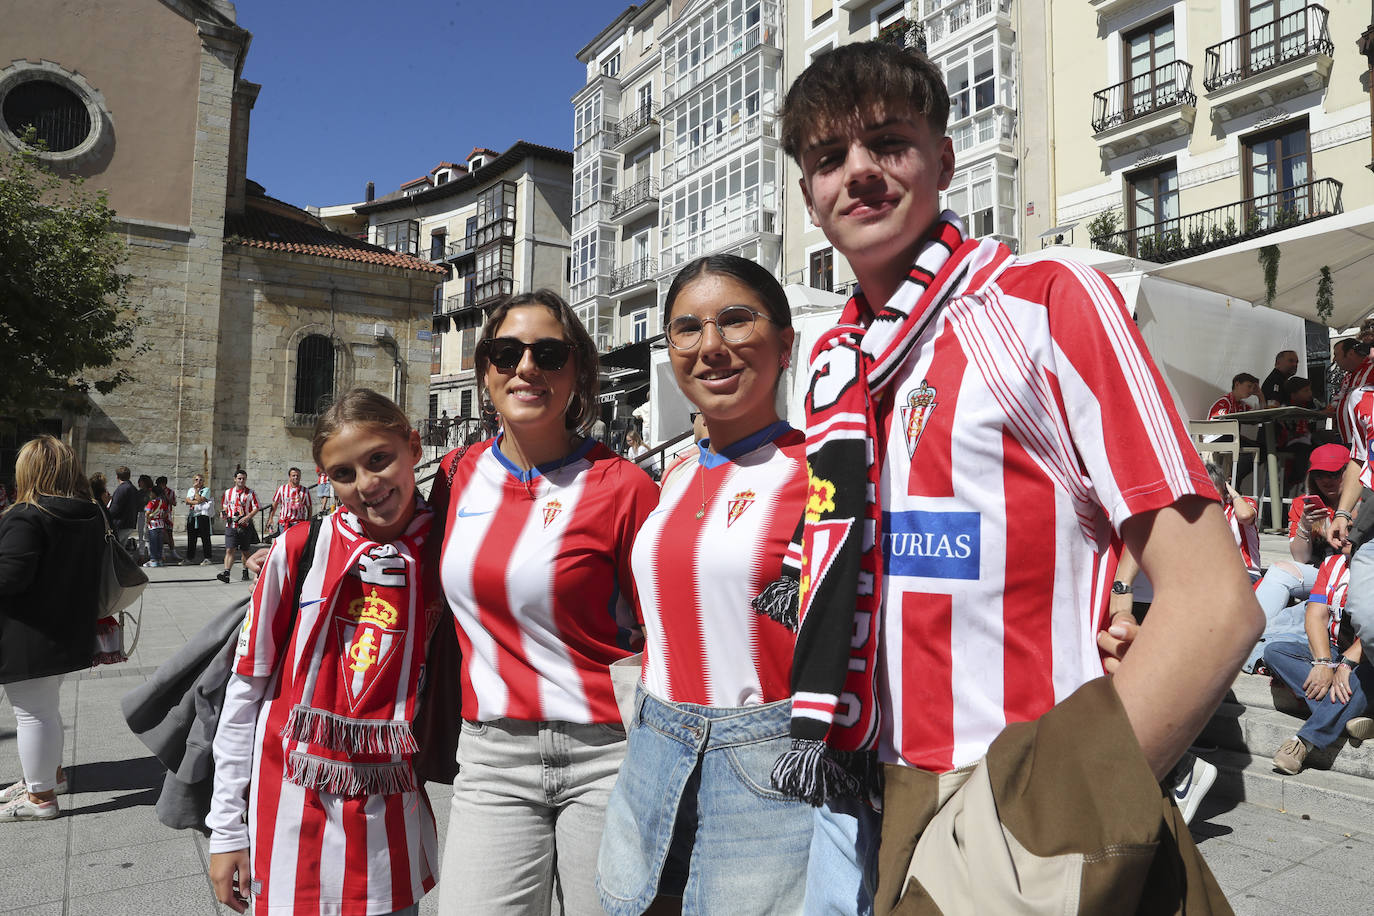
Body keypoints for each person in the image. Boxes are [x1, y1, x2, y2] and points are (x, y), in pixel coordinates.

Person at [777, 41, 1259, 914]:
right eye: (827, 158)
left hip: (1016, 792)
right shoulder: (833, 366)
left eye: (888, 141)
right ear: (810, 199)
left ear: (946, 159)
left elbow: (1215, 601)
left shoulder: (1042, 298)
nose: (859, 173)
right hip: (875, 786)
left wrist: (1041, 824)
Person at [428, 289, 658, 915]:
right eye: (507, 352)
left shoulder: (625, 486)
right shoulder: (456, 474)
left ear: (578, 373)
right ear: (485, 372)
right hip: (492, 756)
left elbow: (662, 634)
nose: (527, 367)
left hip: (606, 756)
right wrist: (291, 548)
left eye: (550, 354)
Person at [596, 256, 812, 915]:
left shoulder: (823, 472)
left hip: (767, 768)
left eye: (736, 320)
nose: (710, 345)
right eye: (687, 329)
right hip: (655, 753)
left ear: (784, 343)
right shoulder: (679, 475)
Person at [208, 388, 440, 915]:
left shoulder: (447, 554)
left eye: (379, 459)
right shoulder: (297, 551)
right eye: (343, 473)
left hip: (389, 813)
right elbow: (245, 690)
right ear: (323, 478)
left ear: (413, 445)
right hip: (289, 808)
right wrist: (226, 830)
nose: (367, 484)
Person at [0, 436, 104, 821]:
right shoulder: (89, 513)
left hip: (28, 632)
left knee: (32, 714)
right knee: (45, 709)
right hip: (67, 627)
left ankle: (40, 797)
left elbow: (10, 577)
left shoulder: (27, 515)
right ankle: (47, 776)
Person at [1262, 541, 1374, 775]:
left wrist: (1347, 663)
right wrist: (1323, 663)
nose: (1343, 535)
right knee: (1276, 651)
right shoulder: (1333, 564)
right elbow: (1315, 615)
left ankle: (1303, 742)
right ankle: (1350, 713)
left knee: (1364, 675)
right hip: (1335, 651)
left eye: (1352, 528)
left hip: (1367, 657)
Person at [216, 470, 259, 584]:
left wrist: (248, 517)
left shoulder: (250, 493)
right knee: (230, 549)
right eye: (239, 478)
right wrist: (223, 512)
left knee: (245, 551)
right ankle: (226, 573)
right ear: (235, 479)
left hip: (245, 526)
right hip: (231, 525)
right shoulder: (228, 492)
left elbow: (256, 507)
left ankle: (245, 570)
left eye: (243, 478)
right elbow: (225, 505)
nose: (241, 480)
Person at [265, 466, 312, 537]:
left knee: (297, 544)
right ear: (289, 477)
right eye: (293, 475)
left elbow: (309, 507)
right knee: (284, 544)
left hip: (299, 522)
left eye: (298, 476)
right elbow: (275, 504)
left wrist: (308, 521)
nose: (296, 477)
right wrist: (270, 518)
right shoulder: (282, 489)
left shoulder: (305, 491)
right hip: (284, 522)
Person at [183, 472, 215, 565]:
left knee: (205, 537)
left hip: (202, 515)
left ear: (203, 481)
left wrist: (196, 492)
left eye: (200, 480)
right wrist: (196, 501)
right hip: (192, 515)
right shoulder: (190, 490)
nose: (198, 481)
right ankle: (189, 557)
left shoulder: (206, 490)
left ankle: (207, 557)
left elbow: (201, 500)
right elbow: (187, 501)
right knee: (191, 538)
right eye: (196, 480)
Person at [108, 465, 139, 551]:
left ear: (117, 477)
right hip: (130, 523)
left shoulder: (121, 489)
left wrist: (107, 516)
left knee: (114, 549)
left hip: (120, 524)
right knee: (121, 550)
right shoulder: (133, 489)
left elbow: (115, 508)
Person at [142, 482, 171, 568]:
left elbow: (147, 512)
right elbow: (167, 511)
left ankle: (153, 560)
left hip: (153, 525)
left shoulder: (151, 502)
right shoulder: (162, 502)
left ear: (154, 493)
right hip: (160, 524)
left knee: (153, 543)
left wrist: (147, 521)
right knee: (159, 543)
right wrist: (162, 516)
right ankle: (159, 560)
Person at [155, 476, 183, 562]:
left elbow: (174, 503)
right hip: (158, 515)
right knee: (159, 534)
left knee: (169, 534)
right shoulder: (156, 491)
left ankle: (173, 552)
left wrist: (166, 496)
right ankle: (161, 553)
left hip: (167, 516)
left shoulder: (170, 492)